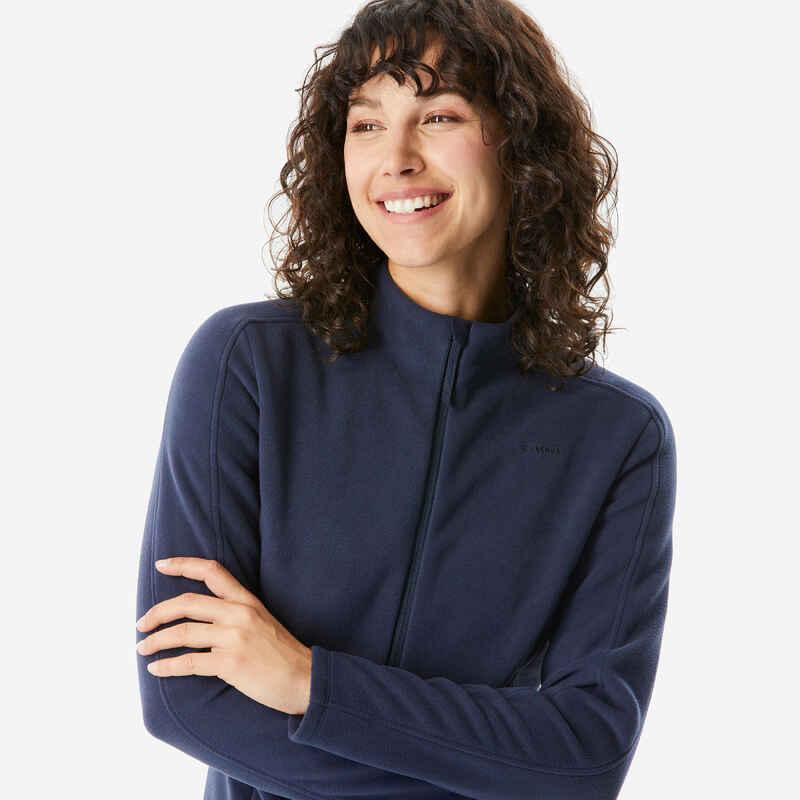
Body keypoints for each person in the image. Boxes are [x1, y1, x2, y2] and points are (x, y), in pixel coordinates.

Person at [135, 1, 677, 798]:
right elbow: (187, 702)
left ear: (521, 144)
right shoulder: (249, 363)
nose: (396, 158)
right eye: (366, 125)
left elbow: (586, 756)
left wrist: (309, 683)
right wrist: (494, 770)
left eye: (439, 116)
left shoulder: (617, 436)